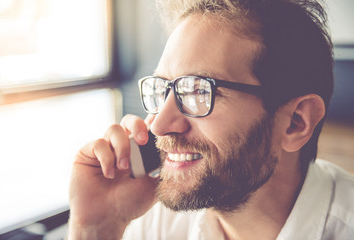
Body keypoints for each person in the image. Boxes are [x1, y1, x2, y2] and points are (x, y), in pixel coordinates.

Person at [67, 0, 354, 239]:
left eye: (197, 91)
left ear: (295, 123)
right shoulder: (155, 221)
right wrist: (95, 229)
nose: (158, 125)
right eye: (162, 89)